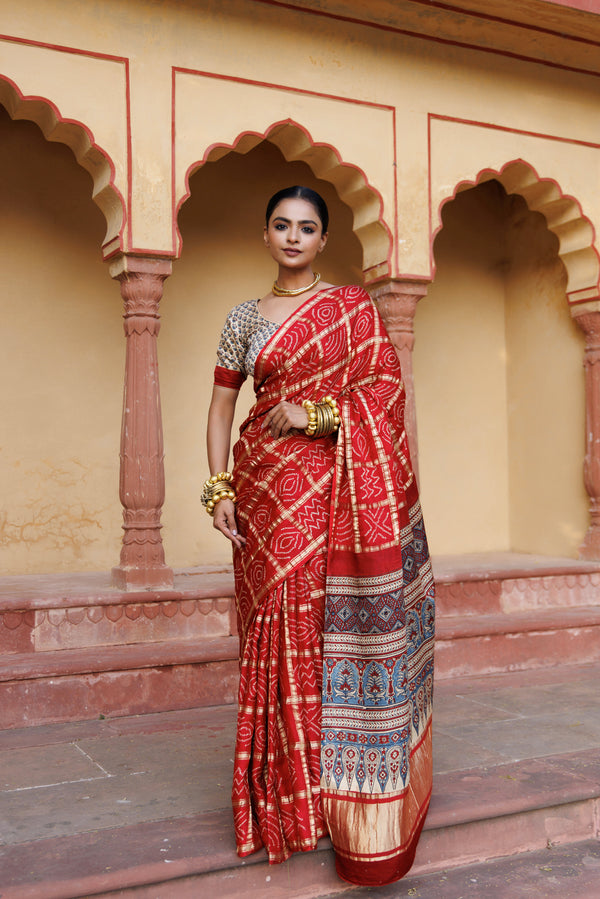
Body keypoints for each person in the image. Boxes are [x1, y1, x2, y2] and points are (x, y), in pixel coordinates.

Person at [204, 185, 435, 886]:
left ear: (324, 239)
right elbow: (220, 408)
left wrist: (318, 415)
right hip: (265, 489)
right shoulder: (243, 317)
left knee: (318, 626)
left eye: (307, 227)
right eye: (282, 225)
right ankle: (280, 801)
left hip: (334, 484)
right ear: (266, 234)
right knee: (272, 629)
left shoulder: (353, 309)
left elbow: (387, 389)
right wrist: (216, 488)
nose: (294, 236)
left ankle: (335, 802)